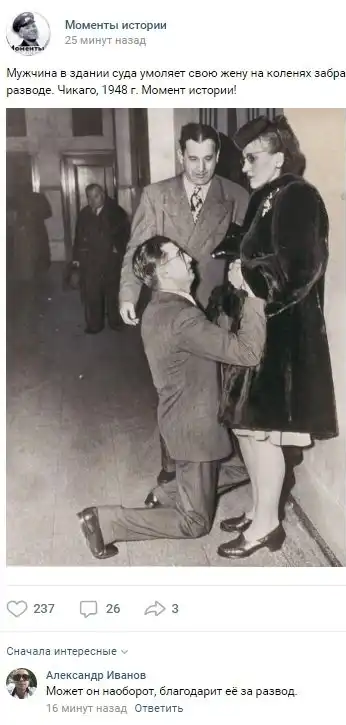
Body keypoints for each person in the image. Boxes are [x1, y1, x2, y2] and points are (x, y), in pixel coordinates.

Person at [77, 235, 266, 560]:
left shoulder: (161, 306)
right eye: (179, 256)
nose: (189, 258)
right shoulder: (181, 317)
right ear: (163, 272)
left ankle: (166, 494)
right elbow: (247, 352)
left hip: (182, 419)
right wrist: (253, 295)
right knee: (195, 523)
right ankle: (104, 522)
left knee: (249, 466)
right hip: (194, 430)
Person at [208, 115, 339, 559]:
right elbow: (261, 251)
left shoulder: (299, 195)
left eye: (252, 158)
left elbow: (302, 267)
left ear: (279, 158)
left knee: (261, 433)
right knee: (247, 430)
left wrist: (248, 276)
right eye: (243, 159)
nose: (244, 167)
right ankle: (260, 511)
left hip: (280, 338)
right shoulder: (267, 195)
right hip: (256, 329)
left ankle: (267, 526)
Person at [119, 122, 249, 485]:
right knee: (173, 390)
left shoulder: (236, 195)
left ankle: (211, 467)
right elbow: (136, 249)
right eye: (193, 159)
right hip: (171, 308)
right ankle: (171, 466)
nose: (201, 168)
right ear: (181, 155)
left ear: (218, 157)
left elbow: (248, 251)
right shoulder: (156, 195)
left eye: (208, 159)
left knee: (211, 392)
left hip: (215, 311)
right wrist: (129, 293)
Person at [72, 184, 130, 334]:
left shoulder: (116, 212)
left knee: (113, 292)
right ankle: (94, 324)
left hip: (111, 259)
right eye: (89, 197)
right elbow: (78, 237)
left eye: (96, 196)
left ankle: (115, 322)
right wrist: (76, 257)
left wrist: (119, 251)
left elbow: (126, 235)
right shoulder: (84, 213)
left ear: (103, 194)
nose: (92, 201)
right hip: (90, 260)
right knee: (92, 292)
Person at [11, 188, 52, 282]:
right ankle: (34, 275)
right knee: (31, 252)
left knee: (40, 251)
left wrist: (36, 215)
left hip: (36, 229)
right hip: (28, 230)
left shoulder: (38, 198)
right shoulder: (21, 198)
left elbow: (48, 213)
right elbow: (49, 213)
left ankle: (39, 274)